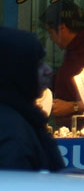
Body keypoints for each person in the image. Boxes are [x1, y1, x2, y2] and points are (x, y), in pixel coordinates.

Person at [0, 26, 65, 171]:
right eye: (38, 65)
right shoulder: (12, 133)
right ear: (14, 70)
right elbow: (16, 180)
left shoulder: (23, 117)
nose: (48, 70)